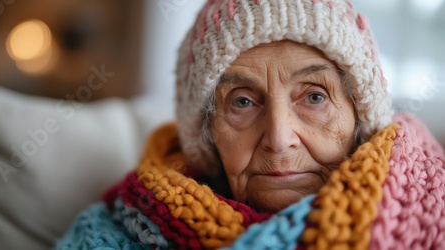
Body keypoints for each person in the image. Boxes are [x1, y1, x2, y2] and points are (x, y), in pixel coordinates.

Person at [55, 0, 445, 249]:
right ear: (206, 136)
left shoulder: (432, 214)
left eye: (314, 97)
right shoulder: (107, 236)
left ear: (359, 120)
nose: (278, 139)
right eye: (242, 101)